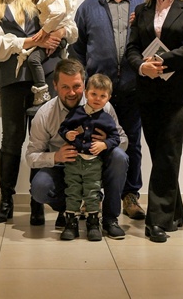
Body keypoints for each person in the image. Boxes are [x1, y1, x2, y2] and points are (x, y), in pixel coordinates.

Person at [0, 0, 75, 225]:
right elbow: (0, 47)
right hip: (12, 81)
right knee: (11, 140)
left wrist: (59, 35)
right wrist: (33, 41)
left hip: (46, 78)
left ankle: (37, 202)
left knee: (45, 140)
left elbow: (70, 26)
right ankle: (6, 200)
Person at [126, 0, 183, 243]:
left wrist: (162, 61)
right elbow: (132, 48)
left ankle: (157, 221)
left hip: (181, 94)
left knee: (168, 153)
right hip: (149, 92)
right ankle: (173, 212)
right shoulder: (142, 10)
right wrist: (141, 66)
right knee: (161, 153)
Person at [70, 0, 147, 222]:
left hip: (133, 89)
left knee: (132, 143)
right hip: (97, 95)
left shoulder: (143, 5)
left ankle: (130, 195)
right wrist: (83, 86)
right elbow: (77, 50)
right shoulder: (88, 7)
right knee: (93, 142)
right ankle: (93, 195)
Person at [26, 58, 129, 240]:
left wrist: (107, 143)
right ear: (55, 85)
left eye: (76, 86)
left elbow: (124, 140)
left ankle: (110, 219)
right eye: (65, 87)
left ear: (84, 83)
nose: (72, 92)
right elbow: (31, 157)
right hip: (65, 169)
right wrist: (56, 156)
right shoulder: (44, 114)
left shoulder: (102, 105)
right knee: (40, 187)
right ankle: (69, 212)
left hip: (95, 165)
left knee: (119, 157)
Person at [57, 74, 121, 241]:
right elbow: (63, 129)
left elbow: (116, 138)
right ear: (86, 93)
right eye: (94, 94)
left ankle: (93, 223)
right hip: (73, 160)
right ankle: (71, 223)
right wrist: (67, 134)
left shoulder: (107, 118)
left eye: (102, 96)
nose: (97, 99)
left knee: (92, 191)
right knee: (72, 190)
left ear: (108, 98)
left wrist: (104, 144)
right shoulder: (76, 113)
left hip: (93, 163)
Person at [19, 0, 78, 105]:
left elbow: (59, 13)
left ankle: (41, 90)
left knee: (33, 59)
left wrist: (45, 31)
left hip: (56, 38)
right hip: (58, 39)